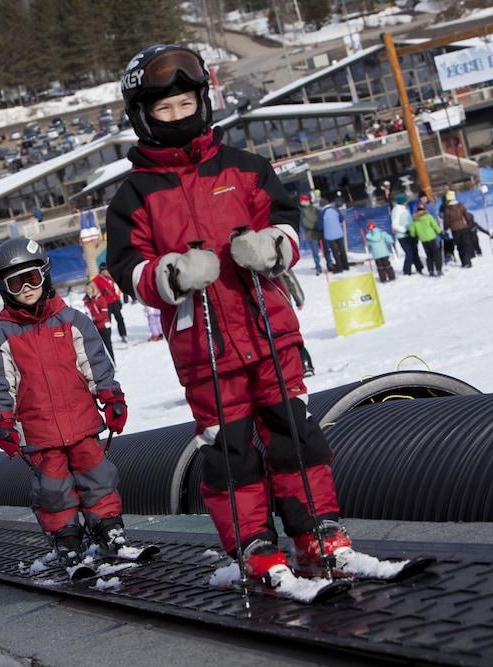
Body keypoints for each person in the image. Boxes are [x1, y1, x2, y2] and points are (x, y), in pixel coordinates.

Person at [105, 44, 361, 585]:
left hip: (269, 331)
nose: (178, 116)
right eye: (164, 110)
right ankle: (255, 547)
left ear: (204, 101)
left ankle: (318, 532)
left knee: (294, 435)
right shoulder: (135, 195)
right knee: (232, 452)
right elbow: (129, 268)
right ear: (143, 117)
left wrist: (274, 248)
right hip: (206, 349)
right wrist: (169, 274)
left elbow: (288, 225)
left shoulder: (245, 168)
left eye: (185, 104)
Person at [0, 237, 129, 567]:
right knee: (53, 489)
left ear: (45, 276)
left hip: (81, 421)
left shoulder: (72, 322)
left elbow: (96, 365)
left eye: (32, 278)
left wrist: (112, 398)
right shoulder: (2, 338)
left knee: (97, 477)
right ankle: (66, 537)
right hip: (40, 431)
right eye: (16, 283)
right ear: (5, 289)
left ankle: (108, 528)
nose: (26, 288)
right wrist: (3, 422)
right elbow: (1, 387)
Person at [92, 264, 127, 342]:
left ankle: (123, 335)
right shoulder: (96, 280)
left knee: (120, 319)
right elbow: (94, 291)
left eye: (107, 269)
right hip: (106, 304)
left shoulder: (110, 278)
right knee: (107, 322)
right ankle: (107, 338)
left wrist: (118, 300)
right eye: (104, 270)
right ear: (101, 271)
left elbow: (115, 289)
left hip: (114, 302)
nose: (106, 271)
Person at [391, 193, 423, 276]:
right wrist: (405, 230)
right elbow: (395, 225)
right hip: (403, 236)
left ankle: (419, 267)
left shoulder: (404, 209)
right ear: (402, 202)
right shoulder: (396, 211)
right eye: (405, 201)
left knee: (415, 251)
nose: (406, 202)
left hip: (410, 234)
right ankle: (407, 271)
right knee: (409, 253)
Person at [442, 191, 475, 269]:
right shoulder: (460, 205)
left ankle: (464, 262)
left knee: (459, 246)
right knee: (465, 245)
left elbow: (446, 221)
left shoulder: (447, 209)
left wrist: (446, 228)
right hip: (464, 227)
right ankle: (468, 261)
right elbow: (466, 215)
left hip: (454, 230)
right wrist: (470, 224)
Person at [83, 280, 115, 362]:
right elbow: (86, 311)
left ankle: (113, 362)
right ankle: (105, 363)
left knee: (108, 345)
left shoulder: (100, 299)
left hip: (104, 326)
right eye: (86, 289)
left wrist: (94, 318)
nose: (87, 291)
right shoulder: (87, 301)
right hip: (95, 327)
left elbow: (104, 314)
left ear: (93, 289)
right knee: (99, 347)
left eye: (88, 289)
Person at [409, 203, 444, 277]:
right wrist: (440, 232)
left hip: (423, 240)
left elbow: (412, 232)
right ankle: (438, 269)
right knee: (436, 254)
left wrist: (414, 235)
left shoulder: (415, 220)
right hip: (431, 238)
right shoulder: (428, 216)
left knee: (428, 255)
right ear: (424, 209)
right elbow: (434, 225)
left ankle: (430, 270)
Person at [321, 195, 349, 272]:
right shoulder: (335, 209)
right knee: (342, 250)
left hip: (329, 236)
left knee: (335, 252)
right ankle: (346, 266)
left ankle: (339, 268)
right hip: (339, 233)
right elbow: (341, 219)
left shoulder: (322, 212)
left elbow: (320, 225)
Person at [297, 194, 323, 275]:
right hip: (310, 234)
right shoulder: (302, 210)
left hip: (316, 233)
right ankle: (318, 266)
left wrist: (315, 225)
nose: (301, 202)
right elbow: (303, 223)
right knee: (314, 252)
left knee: (318, 251)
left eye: (302, 200)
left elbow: (317, 219)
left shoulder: (313, 209)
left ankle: (322, 266)